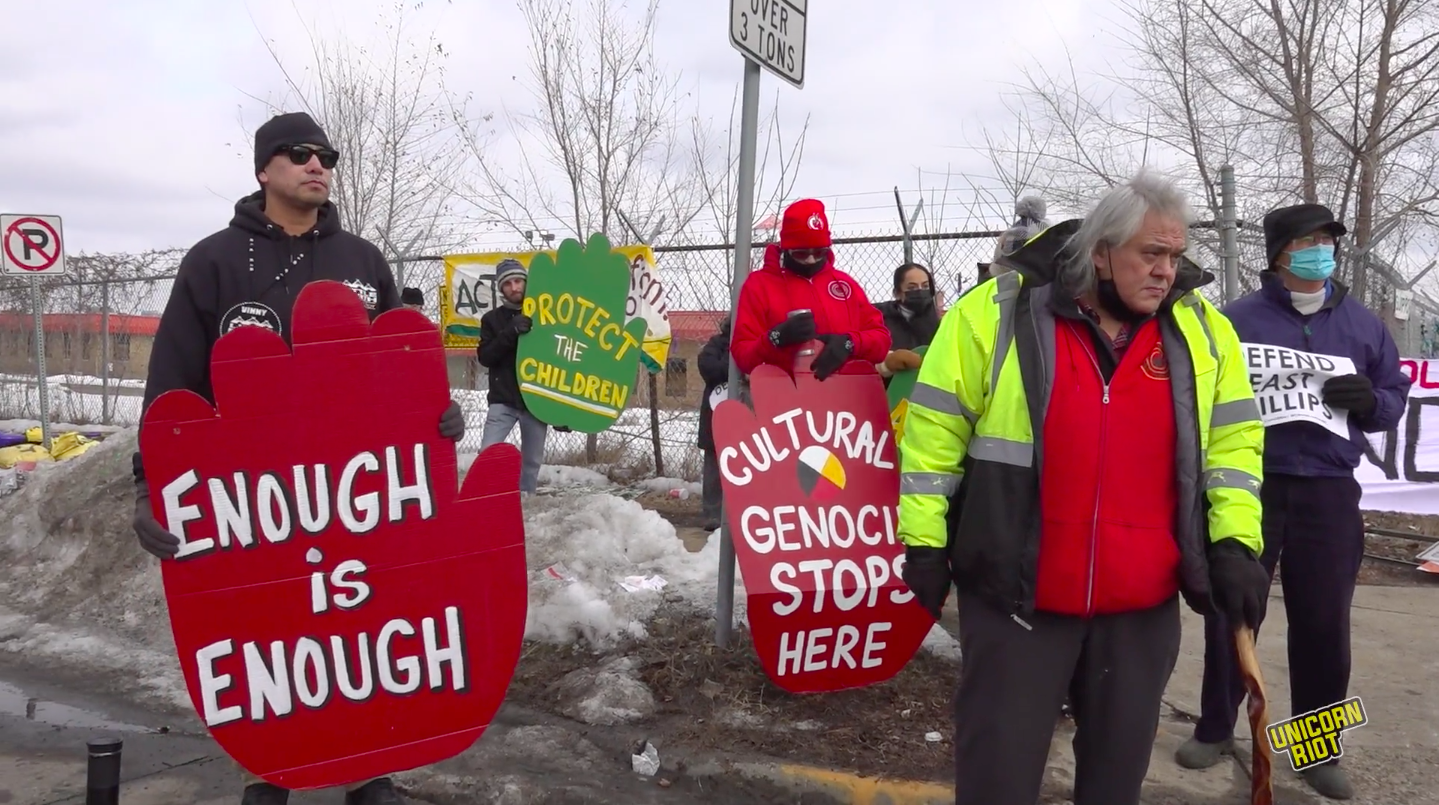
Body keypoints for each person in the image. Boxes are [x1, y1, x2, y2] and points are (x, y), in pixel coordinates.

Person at [896, 169, 1271, 805]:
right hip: (1017, 601)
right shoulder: (998, 311)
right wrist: (925, 544)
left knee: (1114, 784)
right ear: (1100, 252)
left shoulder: (1202, 329)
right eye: (1150, 254)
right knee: (997, 780)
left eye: (1175, 256)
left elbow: (1234, 447)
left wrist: (1236, 544)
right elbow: (933, 437)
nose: (1165, 271)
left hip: (1139, 610)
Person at [130, 111, 460, 805]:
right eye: (300, 154)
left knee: (364, 624)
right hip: (256, 497)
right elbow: (174, 384)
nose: (318, 164)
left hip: (354, 492)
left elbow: (397, 365)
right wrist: (149, 486)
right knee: (274, 635)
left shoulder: (364, 261)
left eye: (326, 155)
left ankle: (373, 770)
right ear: (264, 169)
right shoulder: (214, 261)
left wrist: (436, 417)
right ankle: (268, 772)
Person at [1175, 203, 1412, 800]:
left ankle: (1317, 749)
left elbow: (1392, 396)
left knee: (1324, 621)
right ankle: (1213, 727)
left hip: (1330, 488)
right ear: (1279, 253)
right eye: (1307, 241)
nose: (1321, 251)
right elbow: (1203, 394)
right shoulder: (1234, 322)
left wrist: (1370, 403)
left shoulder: (1363, 324)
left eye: (1327, 241)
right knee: (1233, 610)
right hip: (1251, 484)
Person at [730, 198, 891, 379]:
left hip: (845, 398)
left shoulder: (844, 285)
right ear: (785, 249)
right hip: (784, 398)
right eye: (801, 253)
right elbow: (742, 354)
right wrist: (776, 338)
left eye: (819, 252)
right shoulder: (760, 285)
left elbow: (881, 339)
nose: (811, 260)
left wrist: (849, 343)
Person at [476, 258, 550, 496]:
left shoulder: (545, 315)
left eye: (518, 281)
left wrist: (560, 409)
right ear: (501, 288)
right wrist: (511, 332)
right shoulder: (491, 320)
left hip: (535, 402)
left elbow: (557, 357)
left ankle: (525, 504)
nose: (514, 287)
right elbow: (485, 357)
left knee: (532, 462)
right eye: (508, 283)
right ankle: (486, 499)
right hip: (503, 401)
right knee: (488, 455)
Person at [874, 262, 939, 385]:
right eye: (912, 288)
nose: (920, 292)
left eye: (925, 286)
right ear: (897, 293)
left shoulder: (939, 323)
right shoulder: (879, 318)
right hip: (888, 391)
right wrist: (888, 363)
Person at [696, 317, 732, 531]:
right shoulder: (716, 345)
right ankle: (713, 514)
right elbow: (709, 369)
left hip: (748, 415)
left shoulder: (758, 344)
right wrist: (733, 359)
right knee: (713, 466)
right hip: (716, 415)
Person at [989, 195, 1050, 274]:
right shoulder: (1045, 228)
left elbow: (998, 258)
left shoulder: (1012, 231)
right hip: (1038, 275)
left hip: (1007, 276)